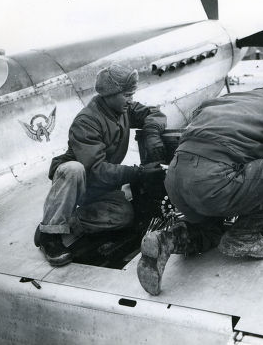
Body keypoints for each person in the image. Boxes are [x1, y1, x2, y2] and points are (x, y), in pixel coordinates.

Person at [137, 77, 263, 295]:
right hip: (215, 182)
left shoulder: (225, 100)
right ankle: (244, 235)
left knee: (210, 230)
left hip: (176, 182)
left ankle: (166, 240)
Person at [35, 64, 167, 267]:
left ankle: (68, 223)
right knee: (73, 168)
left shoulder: (122, 108)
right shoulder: (87, 121)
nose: (131, 99)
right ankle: (49, 235)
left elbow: (154, 113)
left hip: (99, 186)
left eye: (132, 94)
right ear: (109, 94)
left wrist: (151, 133)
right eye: (126, 95)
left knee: (124, 216)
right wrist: (139, 173)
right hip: (79, 181)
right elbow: (96, 170)